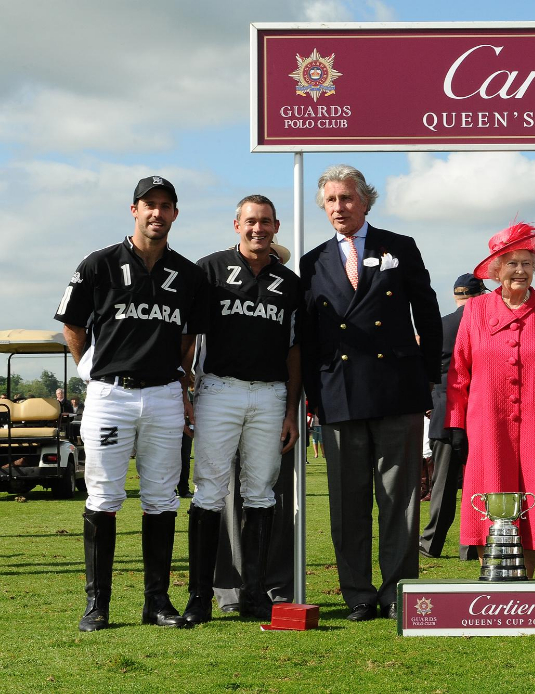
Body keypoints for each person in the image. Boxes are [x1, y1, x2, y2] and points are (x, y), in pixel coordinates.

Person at [55, 176, 208, 631]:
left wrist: (181, 380)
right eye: (149, 204)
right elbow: (72, 325)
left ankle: (156, 603)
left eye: (165, 205)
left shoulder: (188, 274)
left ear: (175, 213)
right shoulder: (99, 263)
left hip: (163, 396)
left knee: (162, 497)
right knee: (104, 496)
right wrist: (89, 371)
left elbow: (189, 336)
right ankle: (97, 604)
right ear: (134, 209)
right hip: (110, 396)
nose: (157, 213)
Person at [300, 164, 441, 622]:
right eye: (331, 200)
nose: (339, 207)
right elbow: (308, 336)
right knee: (348, 501)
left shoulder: (400, 247)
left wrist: (428, 376)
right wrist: (312, 395)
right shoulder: (312, 262)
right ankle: (358, 593)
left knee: (399, 499)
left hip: (397, 388)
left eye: (346, 198)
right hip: (338, 392)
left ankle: (398, 589)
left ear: (365, 200)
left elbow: (427, 312)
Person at [180, 194, 302, 625]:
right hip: (219, 389)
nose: (258, 229)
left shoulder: (289, 282)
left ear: (276, 227)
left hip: (270, 394)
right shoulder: (209, 269)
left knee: (261, 493)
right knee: (209, 491)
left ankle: (254, 593)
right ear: (237, 225)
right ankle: (199, 595)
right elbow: (187, 334)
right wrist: (183, 387)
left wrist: (292, 409)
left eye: (266, 222)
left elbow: (294, 349)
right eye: (251, 221)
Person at [446, 225, 535, 577]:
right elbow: (458, 372)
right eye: (512, 263)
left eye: (527, 263)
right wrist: (455, 424)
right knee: (487, 499)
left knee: (534, 502)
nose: (520, 270)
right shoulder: (475, 311)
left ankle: (525, 583)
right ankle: (492, 580)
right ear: (496, 269)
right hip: (486, 428)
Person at [420, 273, 487, 559]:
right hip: (479, 410)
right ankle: (471, 544)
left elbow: (425, 368)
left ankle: (431, 543)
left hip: (444, 410)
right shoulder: (485, 324)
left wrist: (430, 402)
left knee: (442, 485)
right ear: (480, 295)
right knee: (477, 482)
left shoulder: (440, 325)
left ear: (455, 295)